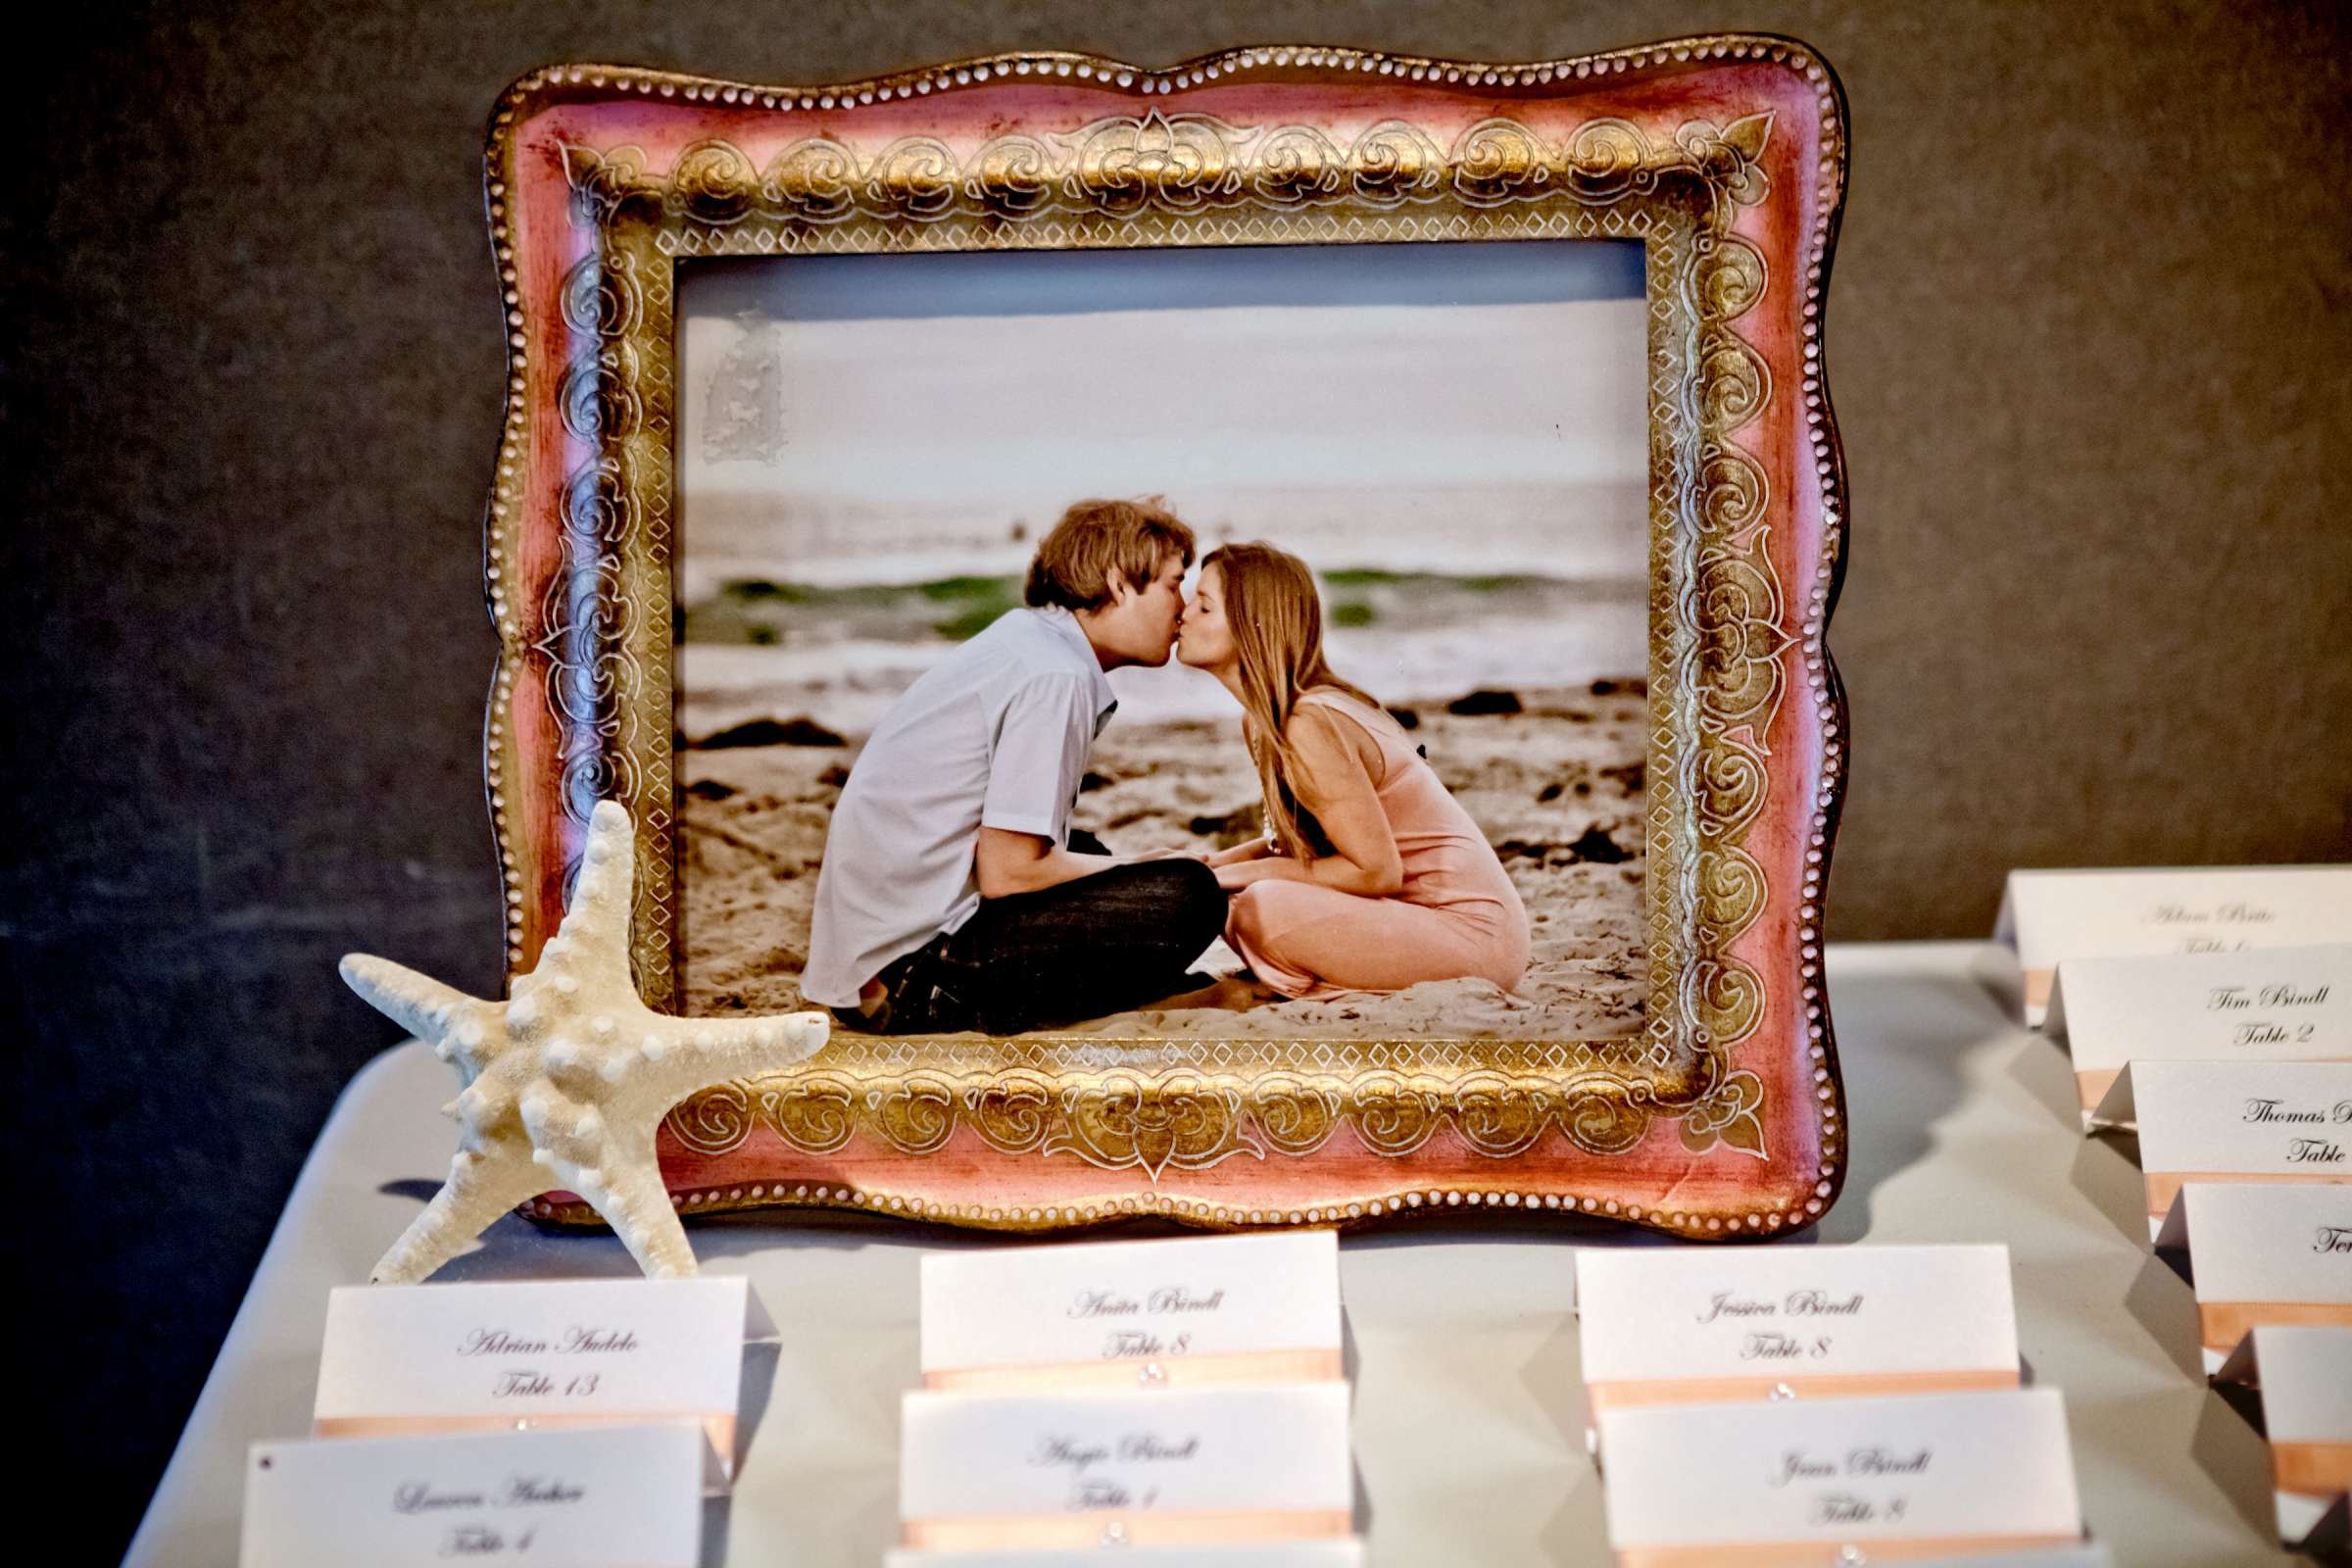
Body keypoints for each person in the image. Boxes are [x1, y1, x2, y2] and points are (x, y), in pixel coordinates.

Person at [803, 497, 1227, 1035]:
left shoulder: (1029, 643)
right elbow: (1010, 872)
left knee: (1090, 853)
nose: (1183, 608)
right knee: (1189, 894)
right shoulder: (1057, 675)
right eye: (1173, 584)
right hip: (910, 979)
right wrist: (1153, 863)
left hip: (876, 963)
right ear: (1120, 583)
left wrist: (1137, 865)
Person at [1174, 542, 1531, 1000]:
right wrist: (1213, 866)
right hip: (1410, 920)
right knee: (1225, 895)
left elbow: (1375, 872)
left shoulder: (1310, 721)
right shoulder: (1266, 722)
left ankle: (1308, 986)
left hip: (1471, 937)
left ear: (1253, 627)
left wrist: (1235, 877)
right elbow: (1303, 843)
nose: (1183, 614)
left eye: (1203, 606)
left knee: (1258, 905)